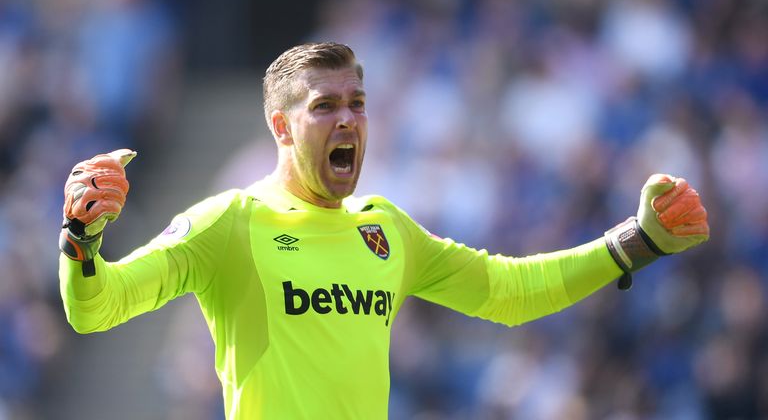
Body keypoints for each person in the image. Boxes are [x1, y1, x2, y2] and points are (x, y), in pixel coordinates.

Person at [58, 42, 710, 419]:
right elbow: (98, 308)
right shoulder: (229, 223)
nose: (348, 120)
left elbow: (509, 292)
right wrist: (81, 241)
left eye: (358, 104)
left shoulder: (386, 229)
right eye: (325, 107)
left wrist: (637, 241)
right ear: (282, 128)